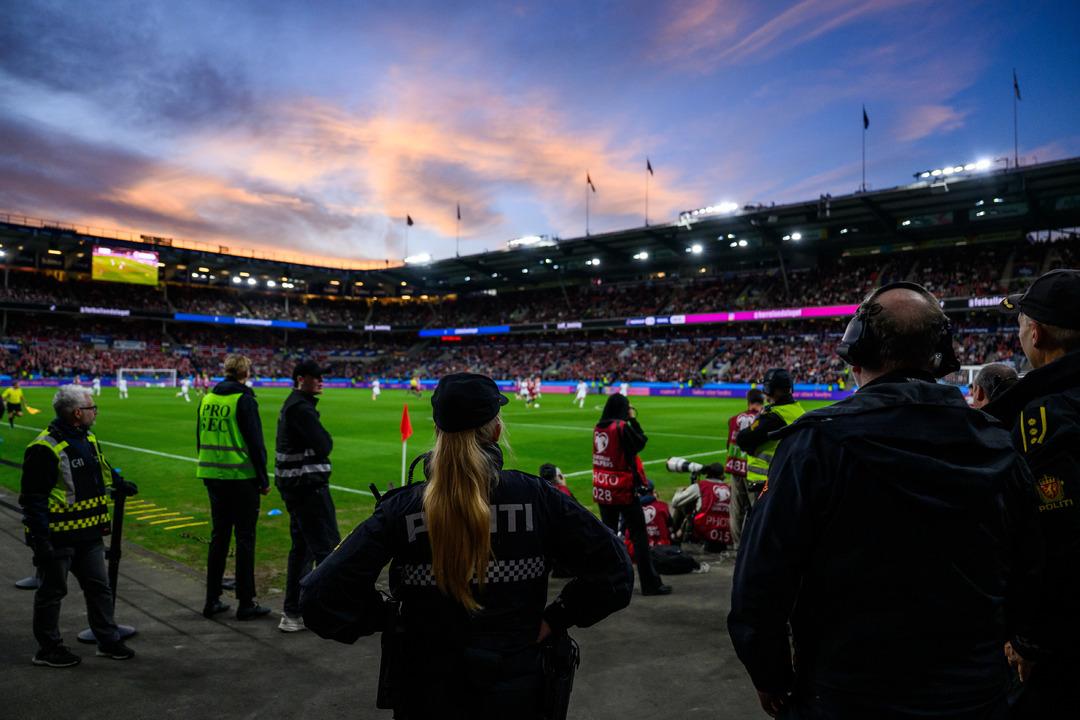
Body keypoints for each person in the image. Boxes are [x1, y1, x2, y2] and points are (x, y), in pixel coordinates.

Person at [729, 282, 1042, 719]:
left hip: (846, 696)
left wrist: (771, 676)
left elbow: (759, 587)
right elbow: (1032, 570)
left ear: (856, 347)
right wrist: (1022, 645)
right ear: (942, 351)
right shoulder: (1000, 446)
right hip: (975, 693)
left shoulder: (816, 444)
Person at [300, 373, 633, 719]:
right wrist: (557, 617)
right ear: (496, 431)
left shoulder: (403, 509)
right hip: (517, 692)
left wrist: (392, 617)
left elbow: (320, 597)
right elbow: (615, 572)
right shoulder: (538, 497)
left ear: (439, 432)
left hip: (425, 693)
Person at [984, 268, 1080, 718]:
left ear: (1036, 333)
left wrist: (1031, 638)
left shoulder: (1042, 416)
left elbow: (1058, 538)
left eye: (1020, 321)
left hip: (1057, 642)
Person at [19, 384, 139, 667]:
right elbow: (33, 499)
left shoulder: (88, 438)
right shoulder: (43, 448)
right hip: (58, 537)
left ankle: (107, 640)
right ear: (76, 413)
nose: (95, 411)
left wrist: (121, 484)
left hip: (90, 534)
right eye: (91, 407)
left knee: (99, 587)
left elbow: (101, 470)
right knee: (52, 593)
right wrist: (41, 540)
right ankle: (48, 649)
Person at [196, 354, 271, 621]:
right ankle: (246, 602)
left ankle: (211, 599)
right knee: (245, 539)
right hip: (240, 477)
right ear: (245, 373)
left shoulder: (208, 399)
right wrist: (263, 480)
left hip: (213, 476)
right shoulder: (244, 400)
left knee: (219, 538)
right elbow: (256, 444)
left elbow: (200, 438)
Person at [275, 360, 339, 634]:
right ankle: (327, 613)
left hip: (296, 488)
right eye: (316, 377)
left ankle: (293, 612)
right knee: (327, 549)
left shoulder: (296, 405)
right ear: (302, 379)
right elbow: (324, 445)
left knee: (302, 550)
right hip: (308, 488)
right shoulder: (301, 409)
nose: (321, 381)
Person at [592, 393, 671, 596]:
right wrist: (633, 419)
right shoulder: (620, 427)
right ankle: (650, 583)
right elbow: (640, 442)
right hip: (623, 489)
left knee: (607, 535)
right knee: (639, 536)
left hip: (602, 488)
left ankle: (606, 584)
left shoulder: (599, 428)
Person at [735, 368, 805, 489]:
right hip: (787, 477)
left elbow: (742, 438)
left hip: (764, 481)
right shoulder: (798, 410)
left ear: (770, 389)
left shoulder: (774, 416)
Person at [725, 389, 764, 548]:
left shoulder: (734, 419)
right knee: (758, 508)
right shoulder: (761, 419)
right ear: (762, 402)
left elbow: (728, 444)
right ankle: (756, 545)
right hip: (753, 471)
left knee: (736, 509)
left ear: (748, 402)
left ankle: (737, 545)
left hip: (735, 467)